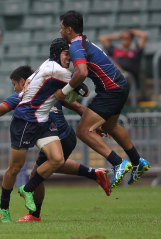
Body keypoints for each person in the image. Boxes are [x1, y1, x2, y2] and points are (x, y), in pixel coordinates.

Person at [0, 39, 111, 223]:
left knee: (34, 171)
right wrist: (96, 122)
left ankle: (31, 208)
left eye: (14, 84)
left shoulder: (44, 85)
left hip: (48, 128)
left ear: (22, 81)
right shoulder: (46, 86)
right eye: (66, 54)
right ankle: (6, 206)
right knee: (45, 165)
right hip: (53, 131)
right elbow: (78, 102)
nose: (69, 57)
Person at [54, 10, 150, 189]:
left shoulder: (76, 46)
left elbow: (81, 73)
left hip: (110, 90)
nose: (60, 31)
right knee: (110, 126)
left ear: (68, 29)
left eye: (61, 28)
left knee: (83, 131)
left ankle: (117, 162)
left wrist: (64, 91)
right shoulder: (85, 41)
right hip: (120, 85)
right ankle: (138, 161)